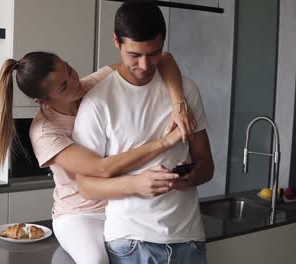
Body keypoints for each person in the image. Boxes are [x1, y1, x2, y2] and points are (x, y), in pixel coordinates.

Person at [0, 51, 196, 263]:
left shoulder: (93, 84)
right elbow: (101, 168)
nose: (76, 81)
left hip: (122, 204)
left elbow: (161, 59)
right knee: (96, 260)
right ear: (43, 100)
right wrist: (166, 142)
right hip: (81, 215)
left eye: (69, 70)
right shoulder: (45, 133)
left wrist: (179, 105)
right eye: (63, 86)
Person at [72, 1, 214, 264]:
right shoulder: (97, 102)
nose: (146, 64)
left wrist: (192, 176)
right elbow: (85, 185)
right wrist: (137, 184)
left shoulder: (186, 92)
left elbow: (207, 164)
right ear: (117, 41)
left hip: (189, 238)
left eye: (154, 53)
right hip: (131, 243)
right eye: (135, 55)